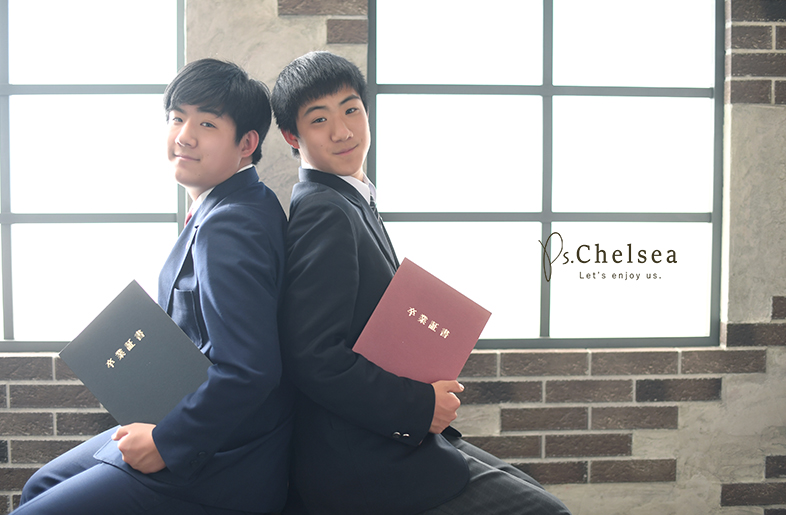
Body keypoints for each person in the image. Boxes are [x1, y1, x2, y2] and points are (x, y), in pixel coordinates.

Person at [272, 51, 571, 515]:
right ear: (293, 136)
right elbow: (312, 357)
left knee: (536, 495)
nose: (342, 131)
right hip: (364, 459)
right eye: (319, 119)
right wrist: (419, 405)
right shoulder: (324, 211)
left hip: (390, 438)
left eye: (351, 110)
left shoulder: (350, 199)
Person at [15, 58, 294, 515]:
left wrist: (166, 441)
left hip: (216, 460)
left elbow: (251, 369)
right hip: (187, 418)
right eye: (177, 118)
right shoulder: (237, 202)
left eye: (207, 124)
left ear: (247, 144)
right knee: (41, 484)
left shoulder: (231, 225)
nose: (185, 136)